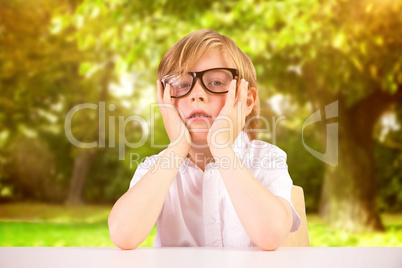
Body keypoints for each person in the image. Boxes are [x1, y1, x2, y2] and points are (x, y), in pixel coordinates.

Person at [108, 29, 301, 251]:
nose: (196, 94)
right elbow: (123, 235)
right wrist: (178, 146)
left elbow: (271, 235)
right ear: (164, 102)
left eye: (217, 82)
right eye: (181, 84)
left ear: (246, 101)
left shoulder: (267, 158)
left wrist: (221, 148)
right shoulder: (156, 168)